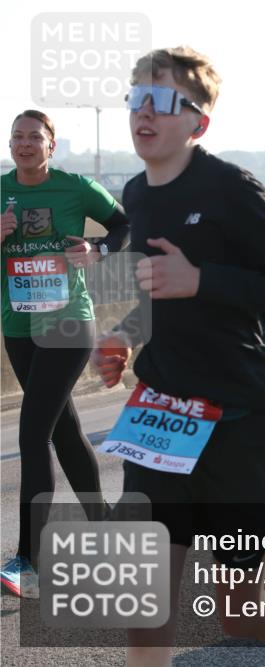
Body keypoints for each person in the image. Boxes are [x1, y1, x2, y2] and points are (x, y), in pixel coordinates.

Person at [88, 47, 265, 667]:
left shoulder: (232, 189)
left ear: (198, 122)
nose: (143, 113)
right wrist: (122, 336)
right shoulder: (134, 193)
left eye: (162, 101)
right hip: (162, 415)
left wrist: (200, 280)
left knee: (237, 608)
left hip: (238, 419)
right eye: (136, 98)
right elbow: (141, 281)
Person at [0, 110, 130, 598]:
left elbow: (124, 225)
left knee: (33, 433)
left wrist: (97, 250)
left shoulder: (76, 187)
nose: (25, 143)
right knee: (65, 430)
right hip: (18, 325)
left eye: (35, 137)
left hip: (68, 322)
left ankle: (28, 561)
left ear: (51, 145)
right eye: (18, 136)